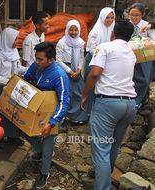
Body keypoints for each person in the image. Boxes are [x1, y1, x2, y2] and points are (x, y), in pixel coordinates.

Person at [80, 21, 137, 190]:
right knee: (113, 145)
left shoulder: (105, 47)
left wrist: (84, 95)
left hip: (108, 104)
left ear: (113, 33)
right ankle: (103, 175)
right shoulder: (131, 52)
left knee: (101, 149)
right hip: (129, 105)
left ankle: (103, 186)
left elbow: (95, 73)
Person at [23, 42, 70, 189]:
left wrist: (52, 121)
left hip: (52, 114)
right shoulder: (36, 66)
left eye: (40, 59)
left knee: (48, 142)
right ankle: (41, 151)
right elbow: (26, 80)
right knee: (25, 130)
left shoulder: (59, 75)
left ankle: (44, 173)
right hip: (35, 108)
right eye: (36, 58)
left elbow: (64, 101)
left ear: (51, 59)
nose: (37, 62)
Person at [0, 27, 28, 148]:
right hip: (0, 88)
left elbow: (18, 68)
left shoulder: (14, 51)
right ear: (7, 39)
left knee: (14, 112)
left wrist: (29, 70)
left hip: (13, 86)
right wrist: (11, 81)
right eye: (15, 39)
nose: (17, 41)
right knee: (0, 113)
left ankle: (13, 136)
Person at [83, 7, 115, 115]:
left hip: (106, 64)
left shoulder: (113, 30)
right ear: (102, 18)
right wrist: (102, 59)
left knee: (102, 87)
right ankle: (88, 113)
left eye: (112, 18)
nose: (110, 20)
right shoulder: (95, 32)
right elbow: (92, 50)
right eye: (107, 18)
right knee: (91, 87)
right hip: (93, 62)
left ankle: (98, 112)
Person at [56, 20, 88, 126]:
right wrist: (70, 72)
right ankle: (65, 117)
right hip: (65, 70)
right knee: (66, 93)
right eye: (71, 30)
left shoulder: (80, 42)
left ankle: (77, 117)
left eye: (76, 30)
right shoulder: (61, 42)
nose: (73, 32)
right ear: (67, 30)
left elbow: (82, 58)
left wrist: (78, 70)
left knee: (79, 93)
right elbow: (58, 60)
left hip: (77, 71)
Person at [128, 3, 155, 108]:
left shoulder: (147, 25)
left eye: (137, 15)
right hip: (129, 58)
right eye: (131, 15)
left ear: (142, 15)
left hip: (144, 58)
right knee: (130, 79)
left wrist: (141, 43)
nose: (134, 17)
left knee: (144, 80)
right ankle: (131, 99)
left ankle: (140, 100)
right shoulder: (126, 25)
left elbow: (153, 41)